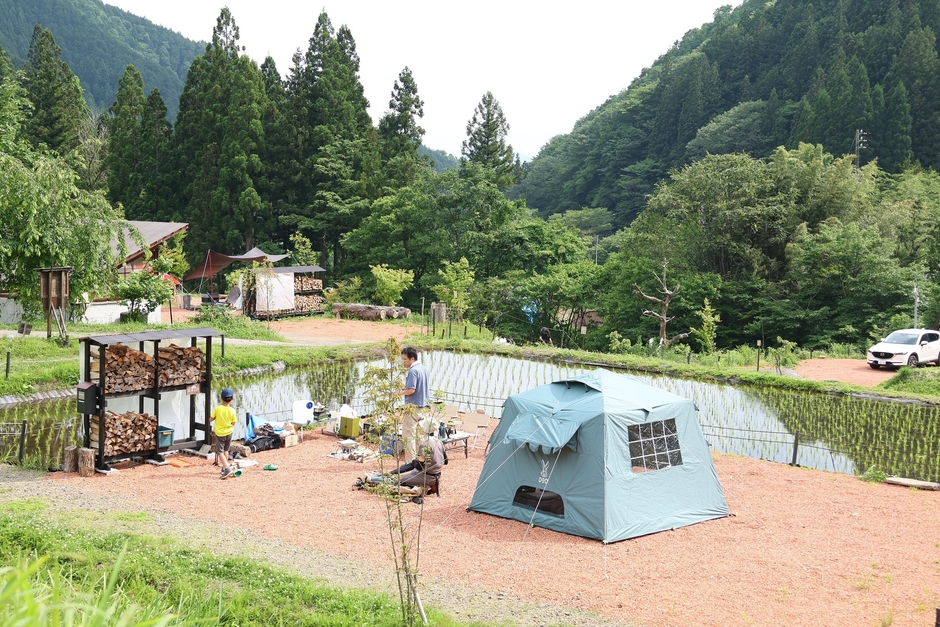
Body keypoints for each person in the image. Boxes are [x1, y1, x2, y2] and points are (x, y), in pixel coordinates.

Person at [364, 436, 445, 498]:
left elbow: (419, 467)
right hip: (437, 474)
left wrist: (415, 462)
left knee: (396, 479)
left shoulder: (424, 445)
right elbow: (446, 461)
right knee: (409, 466)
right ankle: (387, 475)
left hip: (427, 476)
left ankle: (373, 479)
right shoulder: (439, 442)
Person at [400, 346, 429, 458]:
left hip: (413, 407)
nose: (404, 362)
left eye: (405, 359)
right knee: (419, 435)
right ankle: (419, 460)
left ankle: (410, 462)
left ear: (412, 359)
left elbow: (411, 390)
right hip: (424, 406)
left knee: (408, 435)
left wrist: (400, 392)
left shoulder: (413, 371)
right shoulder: (423, 368)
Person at [210, 388, 237, 479]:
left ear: (221, 398)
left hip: (220, 433)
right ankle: (224, 467)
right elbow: (234, 423)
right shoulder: (233, 410)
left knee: (219, 451)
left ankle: (227, 468)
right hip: (229, 432)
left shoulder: (217, 409)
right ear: (232, 399)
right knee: (226, 450)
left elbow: (210, 419)